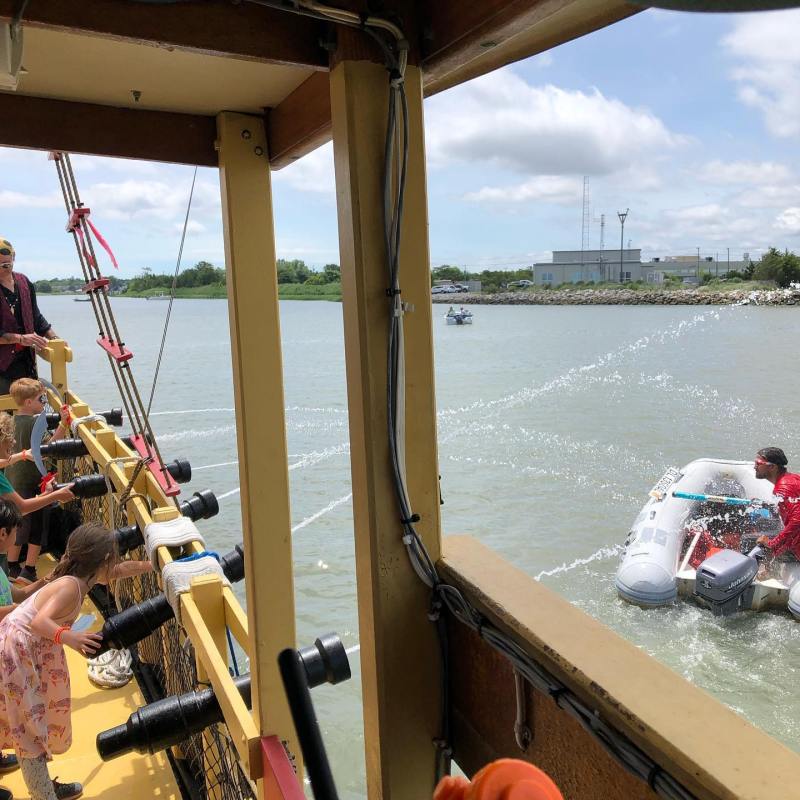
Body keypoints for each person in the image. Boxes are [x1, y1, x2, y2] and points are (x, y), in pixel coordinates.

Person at [0, 522, 153, 800]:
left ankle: (43, 784)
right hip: (19, 652)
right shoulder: (71, 586)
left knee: (37, 718)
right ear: (103, 560)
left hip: (29, 651)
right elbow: (38, 621)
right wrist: (70, 637)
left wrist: (151, 565)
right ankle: (43, 794)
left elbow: (117, 572)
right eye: (113, 559)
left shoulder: (83, 577)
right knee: (30, 728)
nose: (115, 565)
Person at [6, 380, 71, 584]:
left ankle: (12, 565)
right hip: (33, 482)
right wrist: (63, 424)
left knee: (16, 525)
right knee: (36, 528)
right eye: (40, 399)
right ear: (28, 402)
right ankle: (29, 569)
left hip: (14, 481)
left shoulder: (10, 422)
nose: (44, 401)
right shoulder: (35, 424)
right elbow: (45, 450)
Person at [0, 239, 59, 395]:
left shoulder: (24, 282)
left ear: (13, 257)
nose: (2, 269)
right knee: (5, 415)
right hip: (2, 367)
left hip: (26, 361)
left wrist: (55, 338)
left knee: (28, 408)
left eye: (6, 264)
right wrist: (20, 338)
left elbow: (36, 317)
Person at [755, 447, 800, 566]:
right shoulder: (791, 478)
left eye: (758, 463)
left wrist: (772, 544)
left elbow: (797, 520)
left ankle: (761, 578)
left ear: (772, 467)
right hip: (795, 540)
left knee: (752, 545)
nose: (754, 467)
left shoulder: (783, 487)